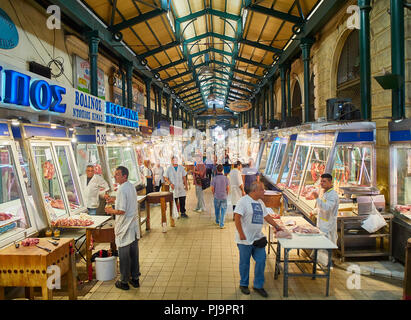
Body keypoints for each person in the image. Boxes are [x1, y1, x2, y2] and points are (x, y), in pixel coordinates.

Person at [234, 181, 287, 298]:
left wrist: (277, 227)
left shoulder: (260, 202)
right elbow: (237, 218)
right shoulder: (243, 201)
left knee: (261, 260)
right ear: (254, 191)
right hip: (245, 240)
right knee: (245, 263)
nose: (264, 191)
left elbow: (266, 216)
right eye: (262, 190)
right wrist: (241, 234)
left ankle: (258, 285)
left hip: (258, 238)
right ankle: (243, 284)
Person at [104, 166, 140, 290]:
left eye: (118, 174)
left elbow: (121, 210)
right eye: (115, 174)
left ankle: (124, 281)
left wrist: (110, 210)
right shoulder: (130, 186)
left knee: (124, 256)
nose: (115, 176)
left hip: (125, 226)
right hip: (133, 226)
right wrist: (113, 199)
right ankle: (135, 279)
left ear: (125, 176)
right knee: (134, 253)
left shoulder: (122, 189)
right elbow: (124, 200)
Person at [311, 173, 340, 265]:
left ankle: (327, 266)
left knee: (326, 247)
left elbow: (327, 208)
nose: (322, 183)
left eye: (324, 181)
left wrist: (317, 198)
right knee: (321, 247)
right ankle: (320, 264)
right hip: (322, 224)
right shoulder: (326, 192)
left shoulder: (333, 195)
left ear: (330, 182)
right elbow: (322, 206)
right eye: (321, 181)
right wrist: (314, 211)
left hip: (328, 226)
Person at [211, 164, 230, 229]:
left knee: (217, 209)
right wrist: (226, 193)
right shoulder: (226, 178)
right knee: (223, 211)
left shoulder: (214, 178)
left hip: (217, 196)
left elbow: (212, 188)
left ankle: (217, 221)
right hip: (224, 196)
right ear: (222, 170)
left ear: (217, 170)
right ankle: (221, 224)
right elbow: (227, 188)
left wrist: (214, 194)